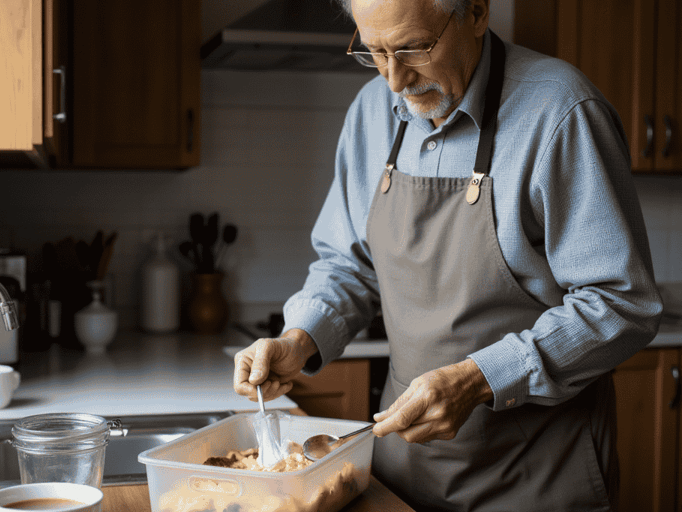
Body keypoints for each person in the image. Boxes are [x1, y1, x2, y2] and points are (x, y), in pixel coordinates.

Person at [233, 0, 663, 510]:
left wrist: (480, 378)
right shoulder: (372, 112)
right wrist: (299, 340)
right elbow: (349, 266)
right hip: (404, 471)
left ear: (476, 13)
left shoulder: (561, 112)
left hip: (535, 474)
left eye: (413, 47)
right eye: (374, 52)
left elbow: (622, 302)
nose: (395, 80)